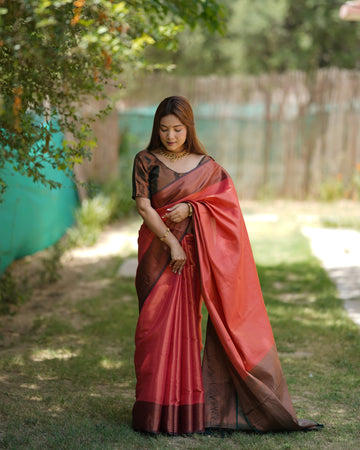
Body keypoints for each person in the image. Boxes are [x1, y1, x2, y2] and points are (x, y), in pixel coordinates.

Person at [131, 95, 322, 435]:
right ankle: (153, 413)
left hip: (191, 261)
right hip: (158, 257)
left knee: (187, 334)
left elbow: (226, 206)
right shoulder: (146, 160)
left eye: (177, 129)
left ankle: (184, 414)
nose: (170, 136)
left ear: (189, 128)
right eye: (163, 129)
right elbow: (144, 208)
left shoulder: (207, 166)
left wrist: (192, 209)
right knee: (152, 333)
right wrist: (172, 242)